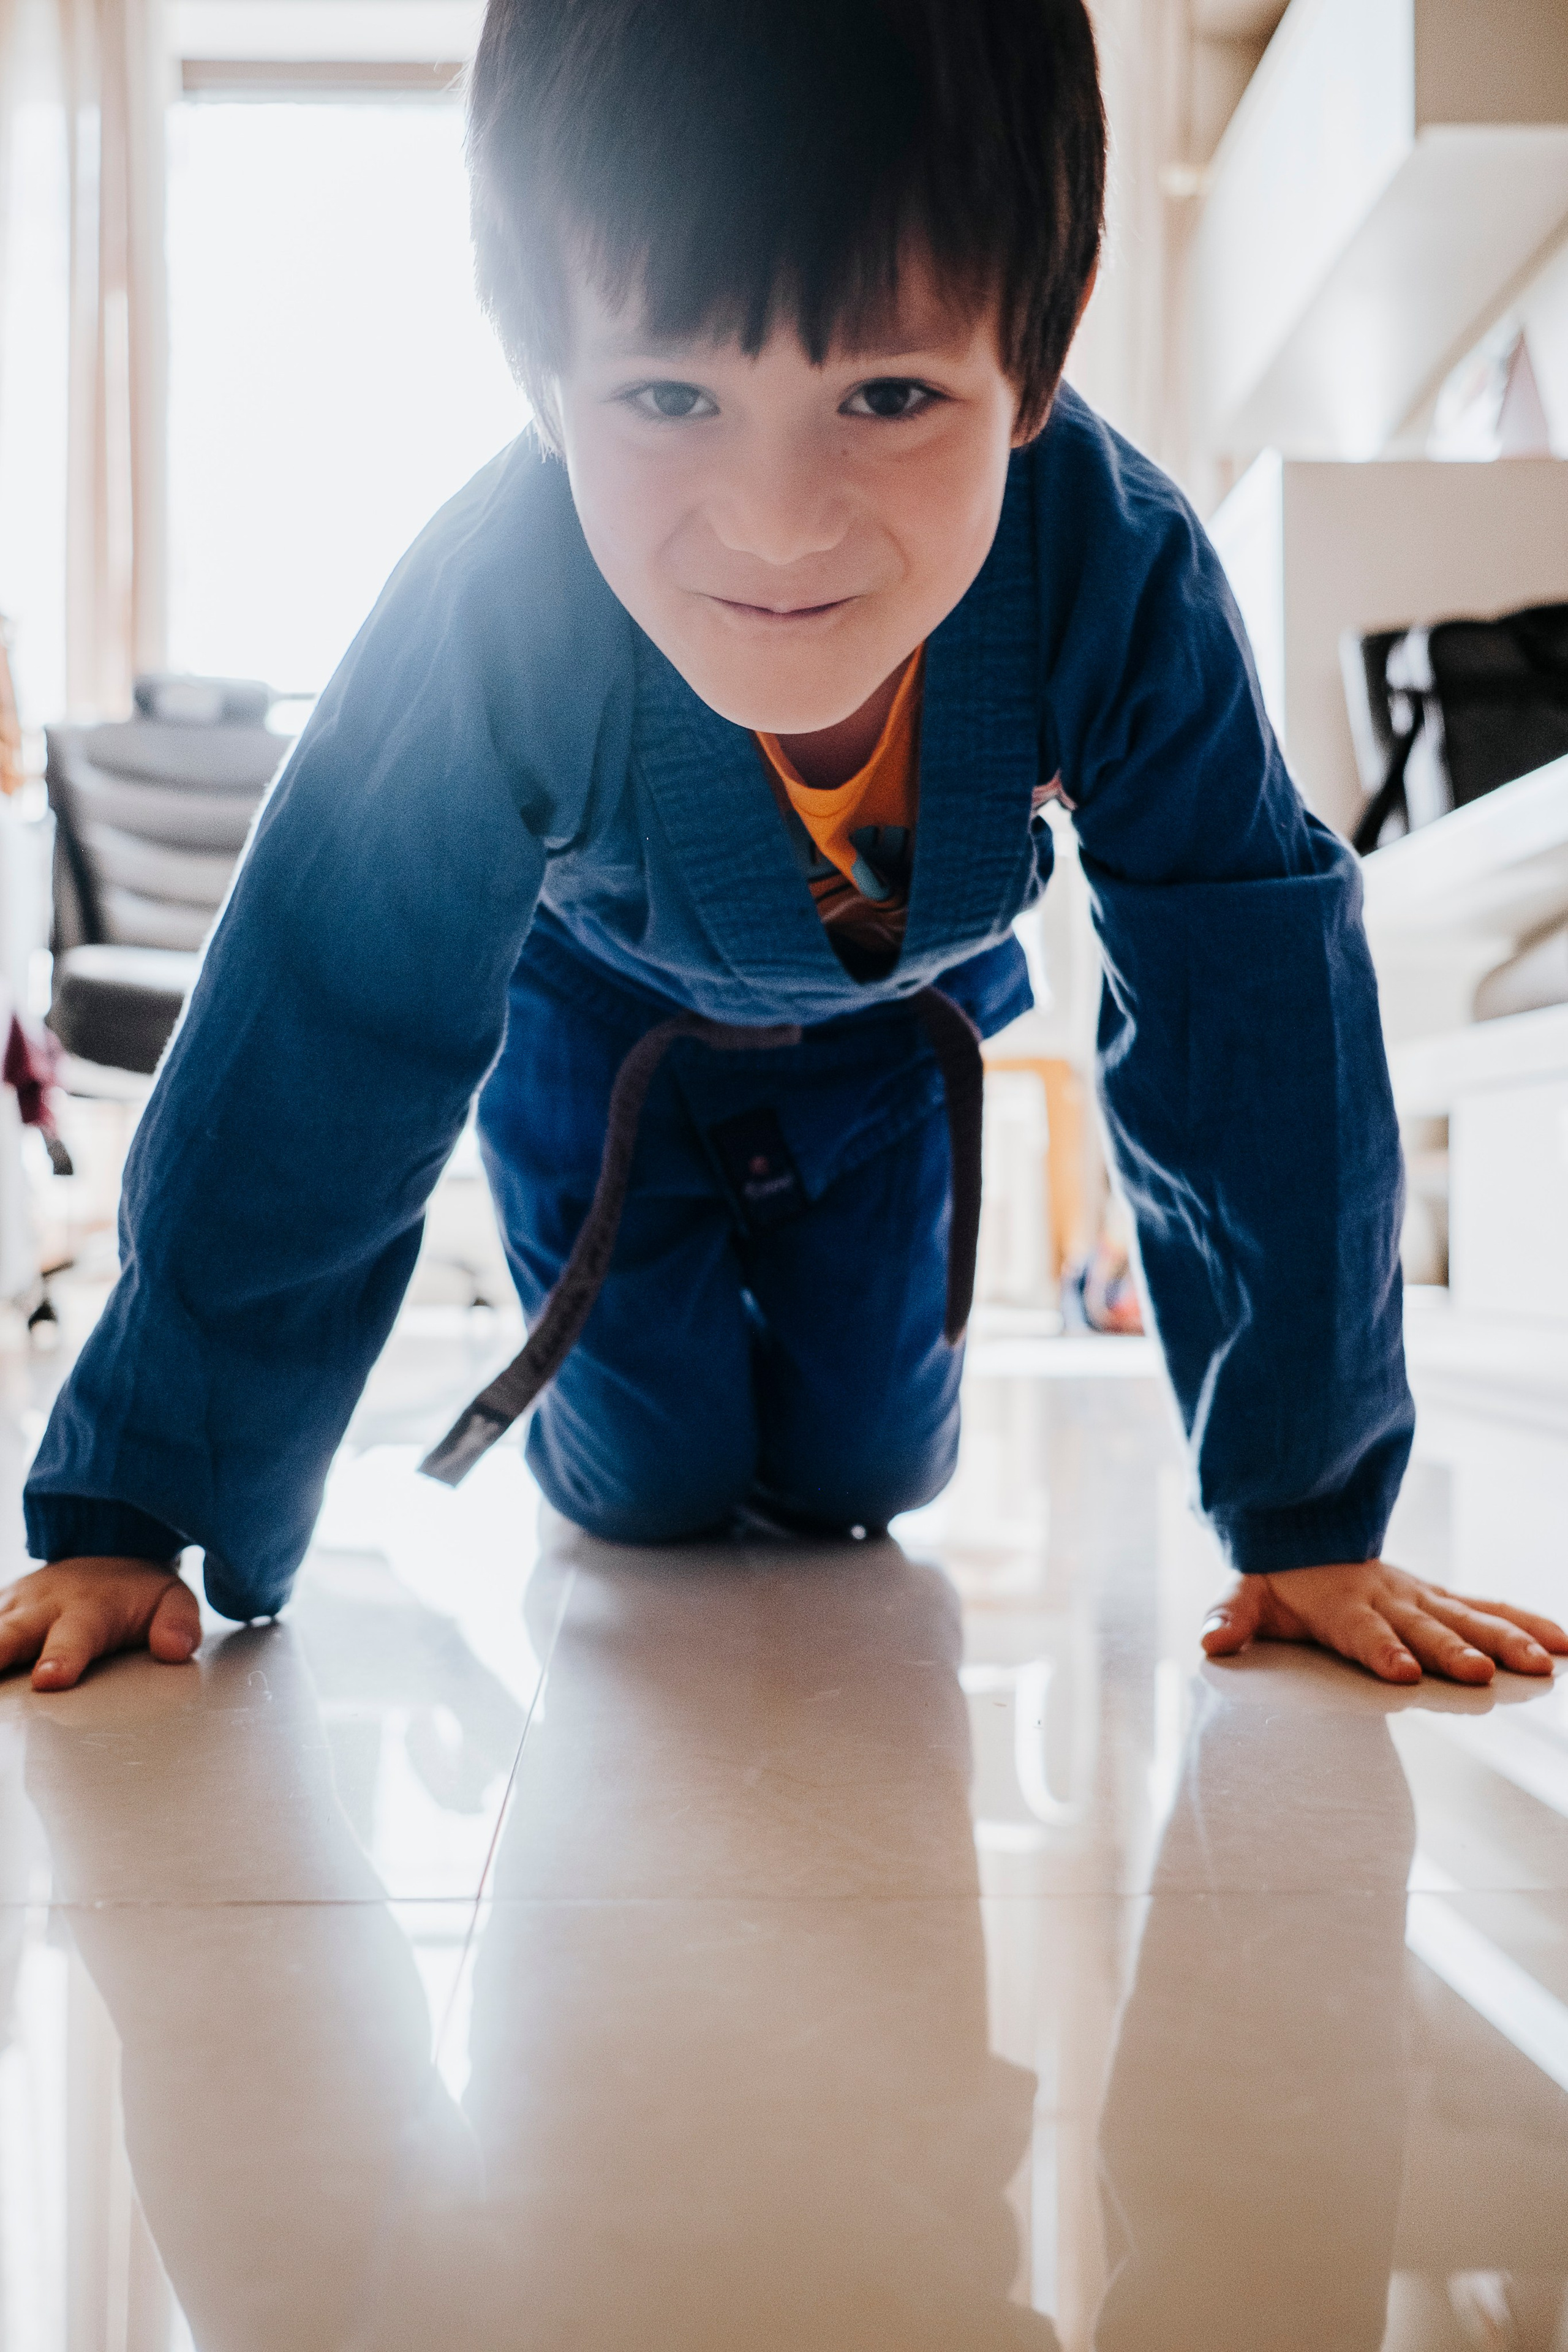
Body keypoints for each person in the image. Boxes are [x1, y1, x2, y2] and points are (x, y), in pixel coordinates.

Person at [5, 0, 1564, 1692]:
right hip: (599, 1050)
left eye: (887, 392)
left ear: (1035, 356)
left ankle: (832, 1396)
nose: (776, 523)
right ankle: (620, 1408)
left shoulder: (1119, 573)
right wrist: (134, 1502)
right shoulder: (490, 605)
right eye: (670, 392)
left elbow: (1252, 1009)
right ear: (541, 368)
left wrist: (1308, 1510)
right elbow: (321, 1027)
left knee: (865, 1479)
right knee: (656, 1486)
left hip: (889, 1052)